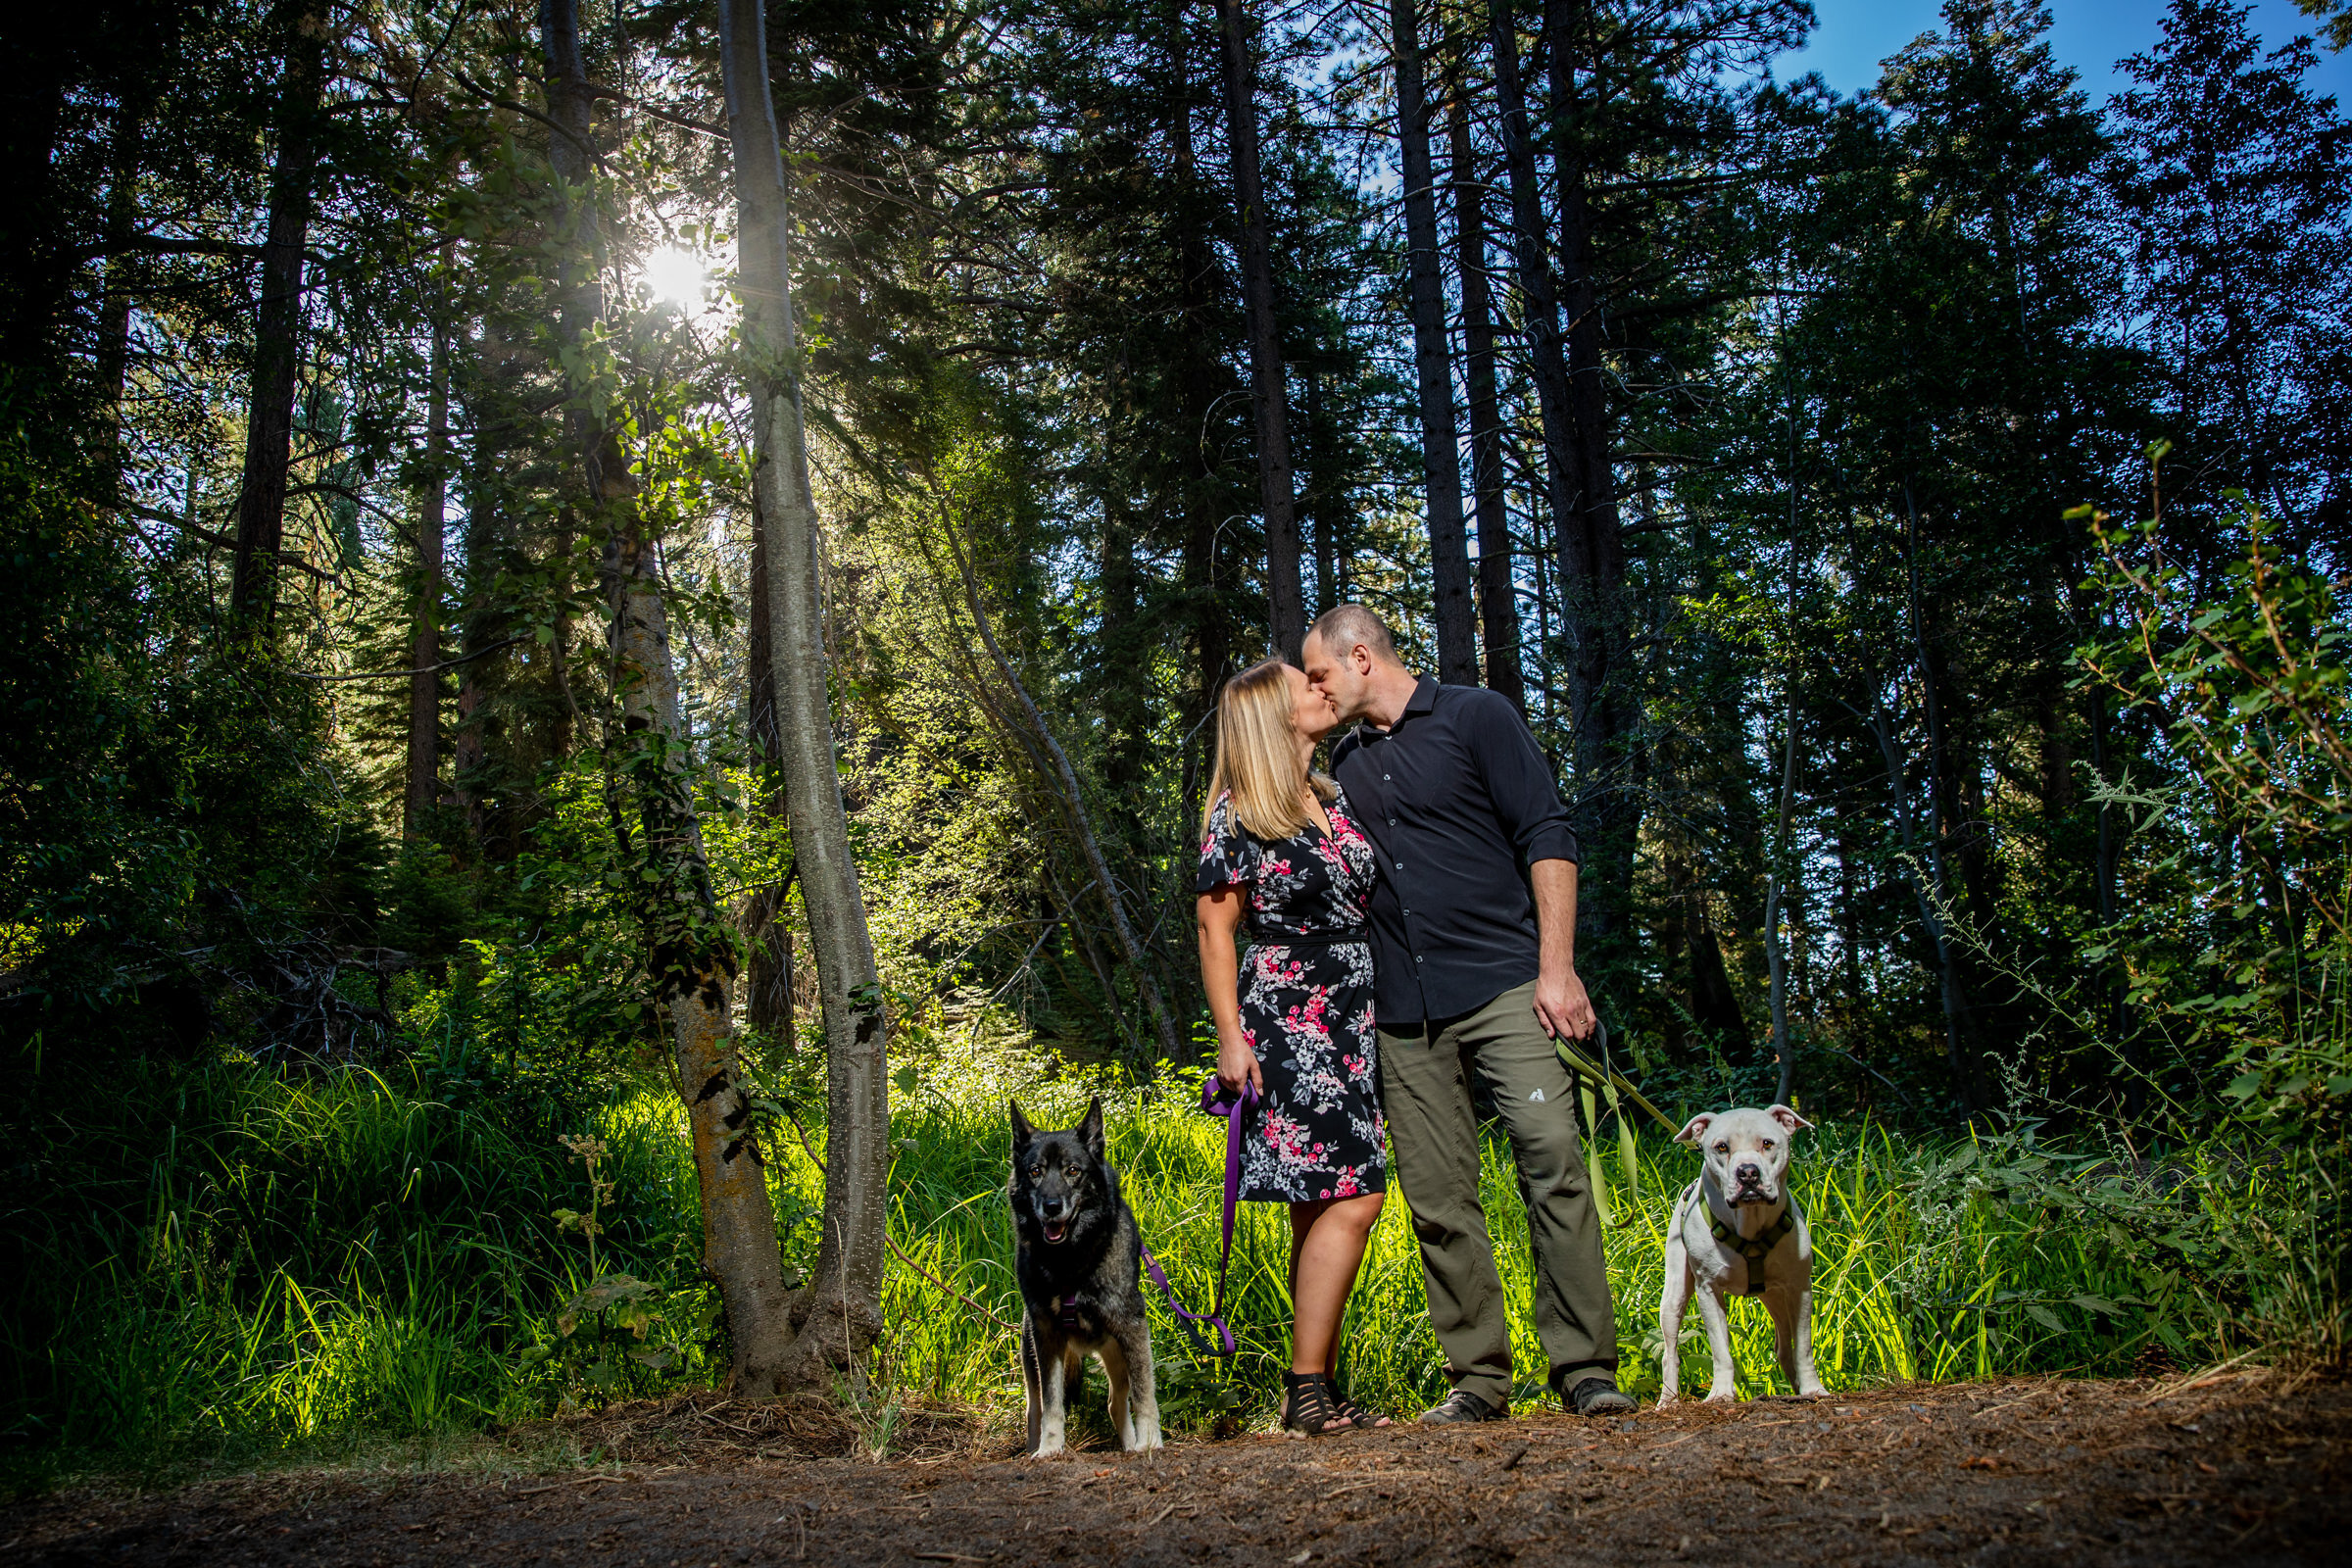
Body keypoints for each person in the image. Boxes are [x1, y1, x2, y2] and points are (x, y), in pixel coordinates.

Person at [1301, 604, 1636, 1422]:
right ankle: (1479, 1382)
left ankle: (1585, 1370)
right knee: (1439, 1199)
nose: (1311, 690)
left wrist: (1556, 971)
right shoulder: (1342, 763)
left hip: (1503, 989)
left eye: (1318, 674)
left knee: (1553, 1160)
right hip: (1403, 1015)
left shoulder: (1475, 715)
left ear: (1360, 657)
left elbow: (1548, 835)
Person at [1196, 657, 1393, 1436]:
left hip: (1351, 1013)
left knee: (1321, 1207)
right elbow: (1216, 930)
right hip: (1292, 1016)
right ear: (1272, 717)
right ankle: (1305, 1385)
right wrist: (1230, 1040)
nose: (1321, 690)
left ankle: (1319, 1389)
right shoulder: (1238, 813)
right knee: (1357, 1194)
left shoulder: (1331, 800)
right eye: (1302, 687)